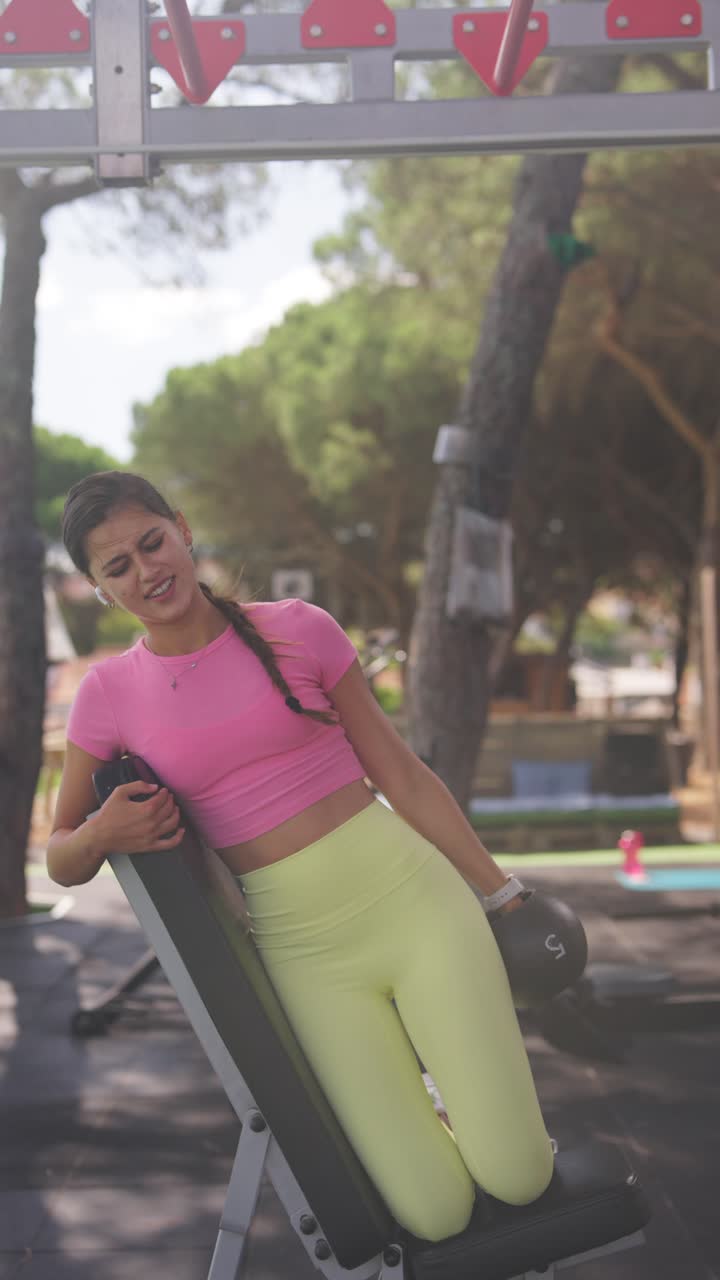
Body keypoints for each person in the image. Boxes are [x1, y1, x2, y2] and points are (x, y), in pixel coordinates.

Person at [47, 471, 555, 1243]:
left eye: (152, 542)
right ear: (99, 589)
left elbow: (404, 777)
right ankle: (446, 1111)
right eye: (118, 566)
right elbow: (60, 857)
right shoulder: (108, 695)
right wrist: (99, 834)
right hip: (303, 951)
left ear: (182, 529)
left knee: (519, 1178)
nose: (147, 570)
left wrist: (501, 892)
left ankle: (483, 1112)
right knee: (435, 1213)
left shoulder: (300, 627)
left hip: (415, 902)